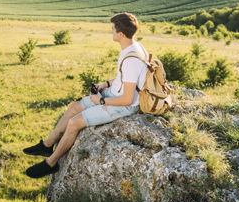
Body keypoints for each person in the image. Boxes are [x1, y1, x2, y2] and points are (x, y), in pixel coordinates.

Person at [23, 12, 148, 178]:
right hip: (114, 92)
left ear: (121, 34)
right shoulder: (132, 47)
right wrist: (105, 84)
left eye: (112, 29)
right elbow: (125, 78)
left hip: (124, 105)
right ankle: (46, 145)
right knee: (74, 107)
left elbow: (127, 98)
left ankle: (50, 163)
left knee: (74, 123)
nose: (111, 32)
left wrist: (101, 99)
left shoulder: (132, 59)